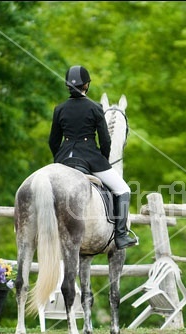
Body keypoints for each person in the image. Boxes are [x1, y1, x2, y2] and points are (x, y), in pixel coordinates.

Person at [49, 65, 137, 250]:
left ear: (67, 86)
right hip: (90, 157)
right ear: (86, 85)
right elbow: (105, 141)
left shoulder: (59, 109)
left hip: (64, 158)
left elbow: (53, 141)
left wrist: (60, 159)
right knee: (123, 189)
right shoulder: (95, 108)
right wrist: (102, 160)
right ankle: (121, 235)